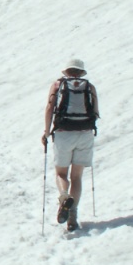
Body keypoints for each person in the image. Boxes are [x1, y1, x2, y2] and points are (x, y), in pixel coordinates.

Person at [42, 58, 99, 231]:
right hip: (85, 134)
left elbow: (49, 108)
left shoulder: (57, 85)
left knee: (61, 174)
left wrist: (46, 132)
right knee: (77, 177)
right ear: (81, 72)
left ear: (66, 72)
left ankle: (64, 196)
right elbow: (96, 112)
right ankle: (72, 216)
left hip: (63, 134)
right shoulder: (89, 87)